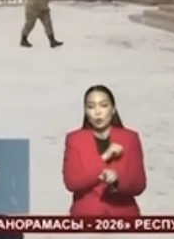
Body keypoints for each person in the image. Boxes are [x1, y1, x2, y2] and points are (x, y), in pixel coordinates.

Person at [62, 85, 145, 217]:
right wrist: (105, 157)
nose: (97, 112)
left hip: (124, 217)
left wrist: (118, 181)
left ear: (113, 109)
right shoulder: (74, 139)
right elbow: (72, 182)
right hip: (86, 218)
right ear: (85, 111)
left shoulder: (130, 138)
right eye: (91, 107)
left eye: (104, 105)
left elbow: (139, 184)